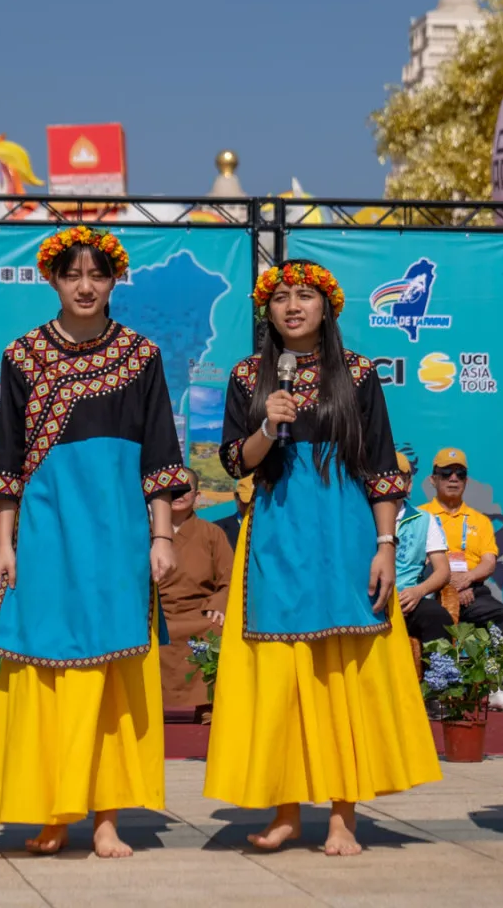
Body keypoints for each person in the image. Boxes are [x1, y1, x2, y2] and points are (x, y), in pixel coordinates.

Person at [204, 259, 442, 856]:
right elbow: (236, 461)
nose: (292, 306)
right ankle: (286, 811)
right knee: (281, 676)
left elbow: (383, 468)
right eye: (281, 297)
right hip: (276, 535)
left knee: (341, 674)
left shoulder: (359, 375)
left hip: (344, 532)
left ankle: (343, 814)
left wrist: (386, 546)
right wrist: (266, 423)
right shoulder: (247, 376)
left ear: (326, 306)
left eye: (304, 296)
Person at [0, 226, 192, 858]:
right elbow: (7, 459)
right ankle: (52, 807)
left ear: (114, 280)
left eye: (98, 274)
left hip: (121, 531)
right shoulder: (22, 357)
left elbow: (159, 454)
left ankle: (105, 817)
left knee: (111, 672)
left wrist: (161, 534)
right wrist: (4, 543)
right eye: (73, 275)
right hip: (45, 528)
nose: (86, 286)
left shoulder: (142, 356)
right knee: (48, 666)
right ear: (54, 280)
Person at [421, 448, 503, 711]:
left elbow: (489, 562)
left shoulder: (479, 520)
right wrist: (449, 585)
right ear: (433, 479)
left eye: (460, 473)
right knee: (433, 618)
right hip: (433, 589)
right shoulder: (421, 516)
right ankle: (437, 690)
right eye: (446, 473)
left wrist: (465, 580)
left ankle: (499, 688)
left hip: (472, 590)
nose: (453, 478)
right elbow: (419, 561)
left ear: (467, 480)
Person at [157, 483, 233, 716]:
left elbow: (229, 578)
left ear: (197, 496)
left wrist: (218, 605)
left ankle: (207, 702)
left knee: (216, 628)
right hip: (158, 613)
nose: (179, 497)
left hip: (198, 612)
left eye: (186, 490)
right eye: (173, 492)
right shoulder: (148, 532)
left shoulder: (212, 533)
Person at [394, 457, 454, 648]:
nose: (391, 483)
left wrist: (418, 592)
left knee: (438, 617)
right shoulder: (362, 517)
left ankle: (439, 677)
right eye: (385, 477)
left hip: (409, 599)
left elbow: (443, 571)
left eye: (399, 477)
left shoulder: (424, 520)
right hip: (370, 602)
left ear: (409, 484)